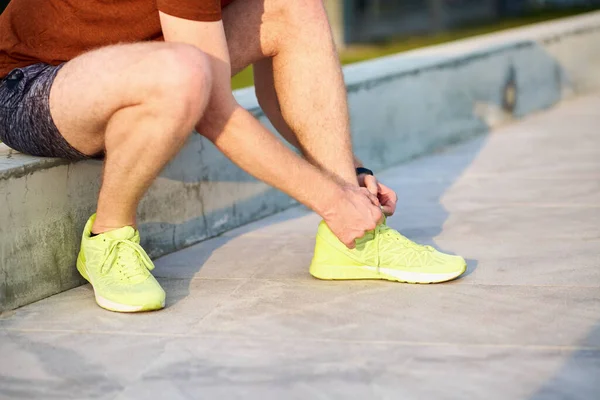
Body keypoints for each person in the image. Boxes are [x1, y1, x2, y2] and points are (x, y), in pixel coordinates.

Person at [0, 0, 466, 313]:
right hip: (35, 83)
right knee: (182, 71)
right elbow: (214, 108)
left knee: (294, 7)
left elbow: (277, 84)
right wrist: (327, 198)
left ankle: (353, 242)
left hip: (142, 60)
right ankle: (108, 235)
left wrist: (349, 181)